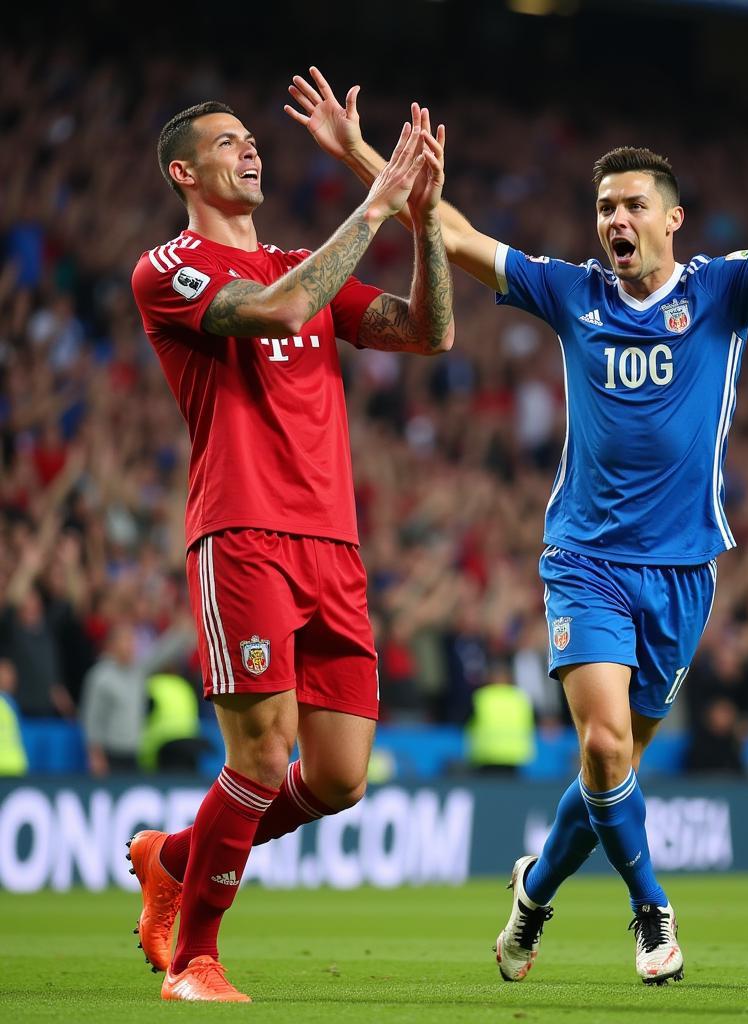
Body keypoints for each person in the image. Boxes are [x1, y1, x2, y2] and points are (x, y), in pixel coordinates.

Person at [285, 67, 748, 984]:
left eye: (630, 205)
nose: (613, 221)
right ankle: (650, 911)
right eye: (602, 207)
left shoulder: (721, 293)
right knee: (602, 744)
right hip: (584, 559)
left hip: (683, 571)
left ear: (672, 219)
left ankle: (533, 896)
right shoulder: (568, 291)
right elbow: (455, 233)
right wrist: (364, 157)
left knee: (607, 776)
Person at [128, 98, 453, 1002]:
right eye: (228, 142)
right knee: (264, 758)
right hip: (244, 531)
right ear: (183, 173)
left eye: (252, 140)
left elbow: (429, 332)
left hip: (334, 544)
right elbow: (274, 311)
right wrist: (378, 201)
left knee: (341, 777)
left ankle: (177, 859)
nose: (250, 149)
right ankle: (194, 958)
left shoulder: (294, 262)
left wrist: (424, 219)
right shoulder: (171, 267)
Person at [79, 618, 195, 776]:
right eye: (126, 640)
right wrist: (95, 755)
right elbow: (92, 717)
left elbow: (161, 653)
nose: (131, 645)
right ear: (112, 644)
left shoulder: (137, 671)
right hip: (110, 754)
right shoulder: (100, 676)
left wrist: (181, 632)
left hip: (133, 753)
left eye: (132, 640)